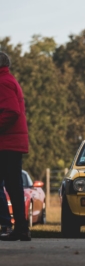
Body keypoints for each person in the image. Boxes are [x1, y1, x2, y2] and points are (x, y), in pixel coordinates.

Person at [0, 52, 31, 241]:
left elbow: (12, 111)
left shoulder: (2, 82)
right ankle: (20, 228)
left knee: (13, 185)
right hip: (12, 143)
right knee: (14, 186)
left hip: (6, 143)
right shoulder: (8, 79)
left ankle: (10, 225)